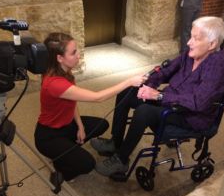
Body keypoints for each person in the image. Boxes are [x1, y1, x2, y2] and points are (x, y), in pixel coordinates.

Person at [91, 16, 224, 177]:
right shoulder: (191, 54)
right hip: (171, 101)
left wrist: (158, 96)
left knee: (144, 111)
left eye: (195, 39)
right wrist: (149, 85)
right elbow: (166, 70)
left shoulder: (217, 67)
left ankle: (121, 160)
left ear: (212, 44)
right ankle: (115, 142)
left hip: (190, 116)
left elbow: (198, 102)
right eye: (191, 36)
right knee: (127, 92)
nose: (189, 42)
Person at [34, 32, 146, 181]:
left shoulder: (64, 72)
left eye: (77, 50)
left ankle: (66, 151)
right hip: (48, 136)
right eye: (73, 52)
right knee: (88, 164)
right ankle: (61, 170)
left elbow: (71, 102)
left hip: (66, 125)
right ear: (60, 58)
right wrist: (129, 81)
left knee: (101, 125)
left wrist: (80, 126)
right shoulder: (54, 83)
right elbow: (98, 97)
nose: (78, 55)